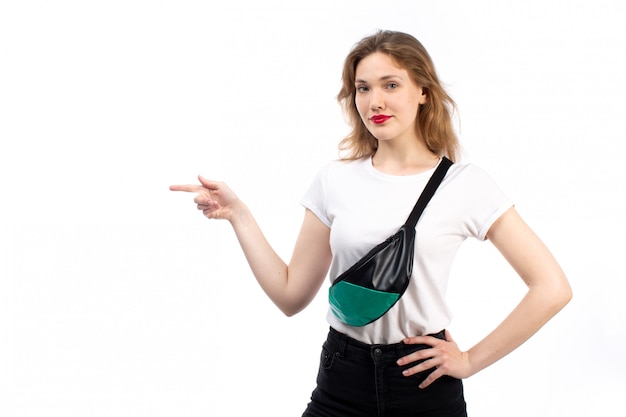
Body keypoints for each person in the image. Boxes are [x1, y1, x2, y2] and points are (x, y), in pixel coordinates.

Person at [170, 30, 572, 417]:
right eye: (363, 88)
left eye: (390, 85)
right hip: (342, 379)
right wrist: (239, 215)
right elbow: (290, 296)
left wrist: (468, 360)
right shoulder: (335, 179)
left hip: (424, 385)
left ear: (423, 92)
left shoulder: (466, 185)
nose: (374, 101)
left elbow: (552, 288)